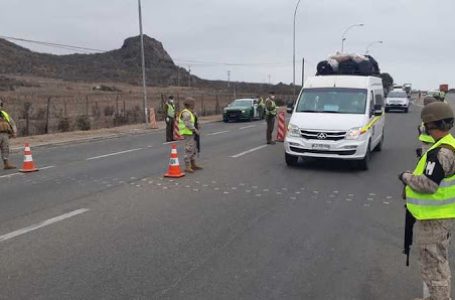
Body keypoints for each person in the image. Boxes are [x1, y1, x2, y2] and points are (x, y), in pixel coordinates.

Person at [399, 101, 455, 300]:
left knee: (434, 266)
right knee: (437, 262)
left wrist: (406, 177)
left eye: (427, 125)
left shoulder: (440, 152)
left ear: (432, 125)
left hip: (435, 220)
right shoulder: (449, 145)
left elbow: (428, 185)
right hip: (440, 217)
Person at [178, 98, 202, 173]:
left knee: (194, 148)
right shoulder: (186, 113)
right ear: (190, 104)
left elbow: (194, 121)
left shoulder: (190, 112)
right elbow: (187, 123)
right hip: (188, 133)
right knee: (189, 148)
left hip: (192, 133)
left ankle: (193, 164)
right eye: (193, 103)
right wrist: (195, 130)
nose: (194, 105)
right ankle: (187, 166)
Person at [0, 98, 17, 169]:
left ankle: (6, 164)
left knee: (5, 149)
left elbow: (12, 123)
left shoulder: (4, 114)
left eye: (0, 104)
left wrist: (14, 132)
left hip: (5, 134)